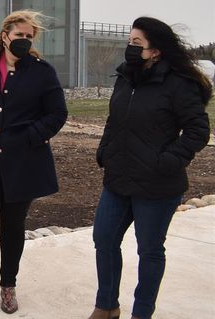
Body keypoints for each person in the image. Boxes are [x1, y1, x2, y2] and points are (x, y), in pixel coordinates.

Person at [87, 17, 211, 319]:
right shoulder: (125, 77)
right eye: (129, 42)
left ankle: (142, 313)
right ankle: (106, 306)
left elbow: (198, 131)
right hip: (118, 178)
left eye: (136, 43)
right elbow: (114, 119)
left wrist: (167, 161)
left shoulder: (178, 84)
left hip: (157, 186)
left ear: (155, 50)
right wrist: (105, 150)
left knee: (150, 251)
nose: (129, 48)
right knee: (103, 239)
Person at [0, 10, 68, 314]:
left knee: (13, 228)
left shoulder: (42, 71)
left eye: (29, 36)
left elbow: (57, 114)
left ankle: (8, 287)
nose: (25, 40)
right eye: (19, 35)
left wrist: (29, 136)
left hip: (23, 164)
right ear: (5, 36)